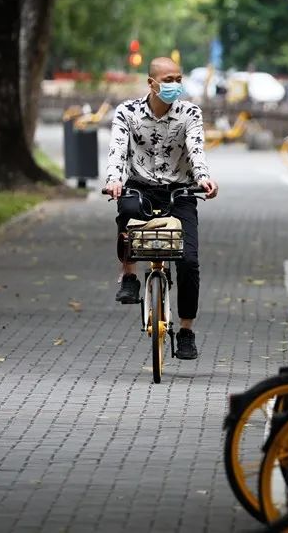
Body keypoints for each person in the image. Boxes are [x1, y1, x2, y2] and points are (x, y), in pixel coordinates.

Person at [103, 57, 219, 360]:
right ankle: (129, 276)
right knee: (125, 209)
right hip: (139, 186)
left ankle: (186, 330)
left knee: (189, 262)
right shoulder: (127, 113)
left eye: (178, 78)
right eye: (168, 79)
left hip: (179, 192)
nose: (174, 85)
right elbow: (117, 151)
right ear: (151, 83)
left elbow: (196, 150)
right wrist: (114, 181)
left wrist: (204, 179)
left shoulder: (190, 113)